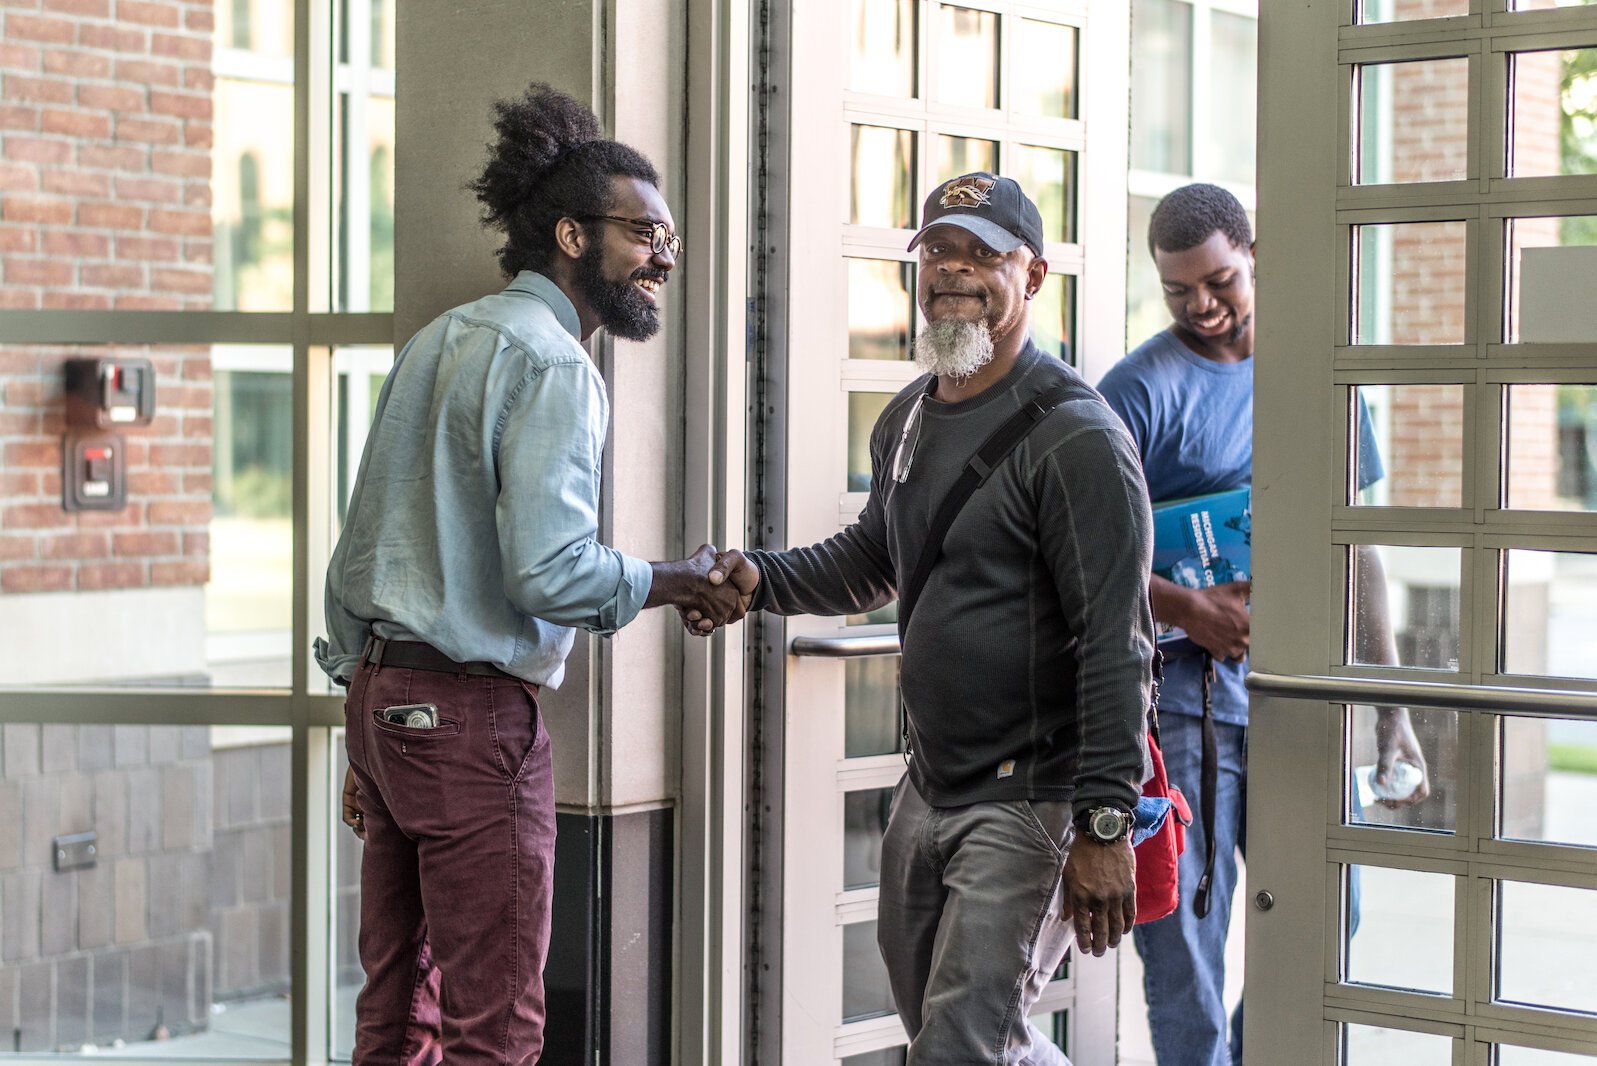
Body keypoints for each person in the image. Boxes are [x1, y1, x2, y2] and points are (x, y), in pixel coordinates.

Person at [314, 83, 754, 1066]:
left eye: (667, 236)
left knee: (397, 1010)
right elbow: (551, 573)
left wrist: (367, 720)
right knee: (496, 1029)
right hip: (471, 724)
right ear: (568, 233)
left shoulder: (441, 339)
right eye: (643, 233)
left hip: (386, 704)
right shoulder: (555, 364)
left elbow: (361, 547)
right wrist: (678, 578)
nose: (664, 257)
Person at [703, 173, 1157, 1065]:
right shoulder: (911, 414)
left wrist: (1104, 825)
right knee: (949, 1028)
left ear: (1031, 278)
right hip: (933, 782)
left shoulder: (1077, 438)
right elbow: (874, 559)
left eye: (983, 254)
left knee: (957, 1046)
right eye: (938, 252)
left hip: (1033, 795)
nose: (953, 270)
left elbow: (1118, 643)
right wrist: (756, 580)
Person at [1097, 183, 1431, 1066]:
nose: (1200, 306)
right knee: (1188, 952)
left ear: (1256, 259)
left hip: (1299, 702)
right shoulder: (1134, 393)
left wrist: (1392, 713)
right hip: (1178, 713)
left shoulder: (1320, 375)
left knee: (1327, 916)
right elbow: (1076, 558)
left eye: (1217, 282)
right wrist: (1186, 609)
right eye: (1177, 291)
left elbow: (1353, 553)